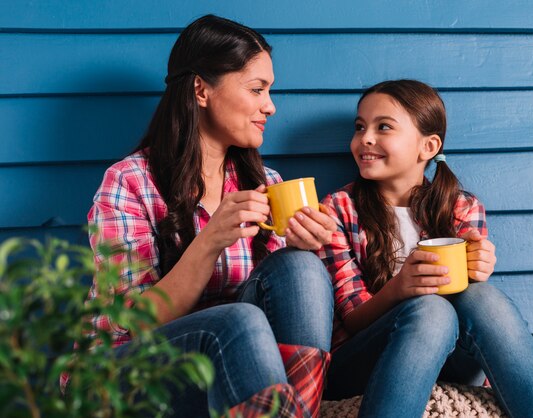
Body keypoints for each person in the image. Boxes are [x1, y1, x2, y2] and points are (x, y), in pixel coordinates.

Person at [68, 14, 337, 417]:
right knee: (239, 321)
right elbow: (135, 321)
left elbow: (291, 317)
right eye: (257, 89)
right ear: (201, 89)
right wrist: (209, 240)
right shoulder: (129, 182)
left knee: (301, 268)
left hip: (236, 369)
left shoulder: (267, 182)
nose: (271, 106)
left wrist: (305, 250)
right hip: (122, 376)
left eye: (269, 91)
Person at [318, 80, 533, 417]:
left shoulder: (460, 207)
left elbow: (471, 307)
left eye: (383, 127)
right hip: (363, 360)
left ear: (428, 146)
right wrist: (399, 289)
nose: (365, 138)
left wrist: (477, 271)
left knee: (482, 297)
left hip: (453, 357)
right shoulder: (338, 208)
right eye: (360, 127)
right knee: (430, 310)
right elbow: (353, 319)